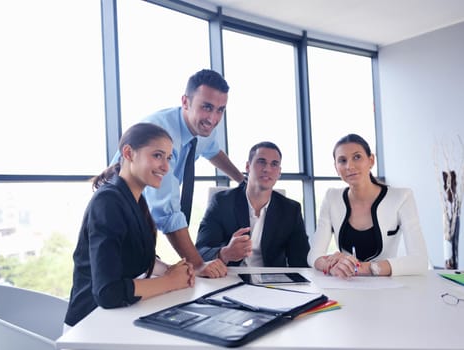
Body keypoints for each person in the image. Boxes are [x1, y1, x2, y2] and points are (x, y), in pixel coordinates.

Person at [111, 69, 244, 278]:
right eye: (206, 107)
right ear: (185, 102)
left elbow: (213, 150)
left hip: (144, 221)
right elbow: (168, 212)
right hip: (120, 211)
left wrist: (241, 179)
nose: (212, 118)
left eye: (220, 110)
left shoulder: (203, 130)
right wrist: (199, 265)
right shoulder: (161, 135)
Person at [64, 123, 195, 329]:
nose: (166, 167)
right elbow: (108, 292)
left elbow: (131, 255)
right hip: (90, 326)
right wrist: (170, 282)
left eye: (168, 158)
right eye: (157, 155)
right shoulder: (108, 202)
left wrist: (172, 270)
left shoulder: (135, 200)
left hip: (119, 319)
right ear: (128, 153)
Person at [307, 133, 428, 278]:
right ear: (336, 167)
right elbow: (313, 255)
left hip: (386, 289)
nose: (349, 166)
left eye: (357, 157)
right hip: (345, 286)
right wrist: (332, 265)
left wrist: (366, 268)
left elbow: (419, 261)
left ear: (371, 160)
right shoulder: (331, 197)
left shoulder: (401, 197)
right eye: (342, 160)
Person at [195, 141, 310, 267]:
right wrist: (225, 253)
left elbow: (301, 261)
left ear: (279, 173)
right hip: (229, 278)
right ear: (248, 166)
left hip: (273, 282)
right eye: (261, 162)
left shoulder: (291, 210)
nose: (267, 169)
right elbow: (200, 251)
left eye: (274, 164)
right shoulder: (222, 203)